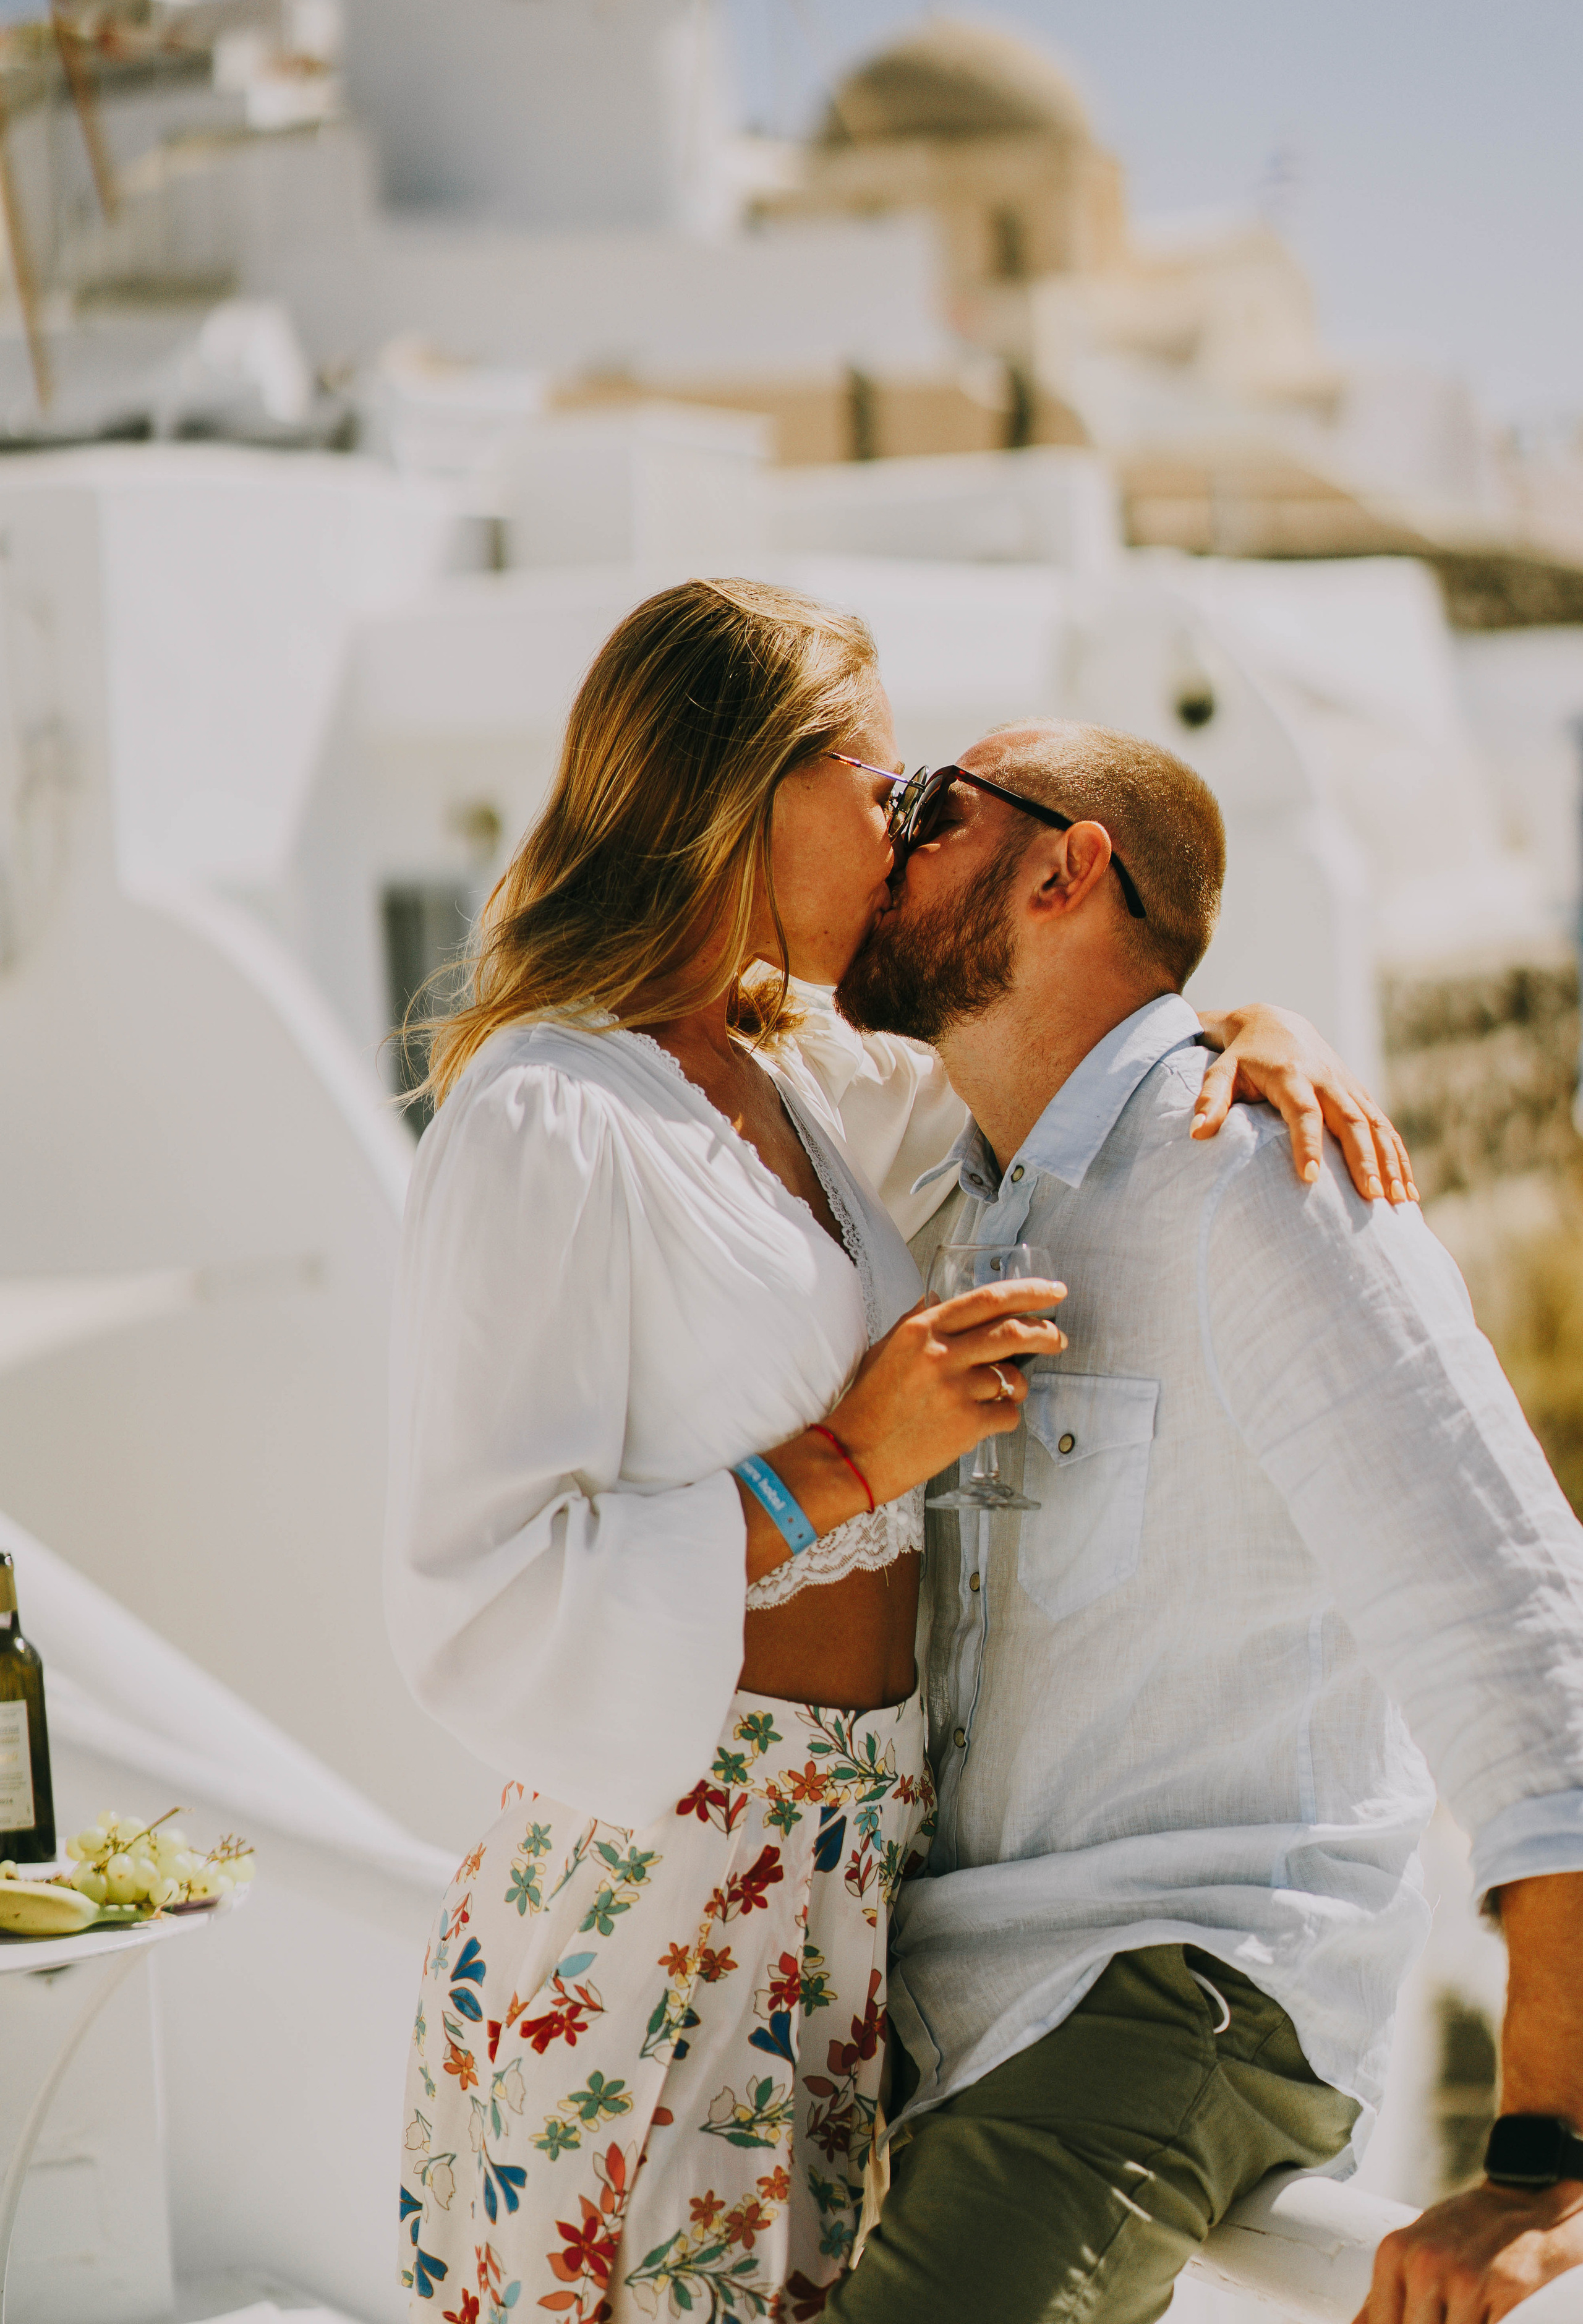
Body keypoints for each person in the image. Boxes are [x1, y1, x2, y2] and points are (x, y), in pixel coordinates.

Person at [385, 579, 1411, 2324]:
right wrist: (848, 1465)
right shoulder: (547, 1116)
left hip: (860, 1893)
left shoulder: (804, 1078)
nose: (904, 835)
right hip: (664, 1886)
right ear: (744, 783)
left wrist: (1255, 1027)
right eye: (885, 786)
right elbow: (475, 1593)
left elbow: (1079, 1053)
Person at [822, 719, 1583, 2324]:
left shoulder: (1267, 1184)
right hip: (948, 1999)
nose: (889, 840)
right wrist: (1233, 1013)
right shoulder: (948, 1195)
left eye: (931, 808)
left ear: (1067, 868)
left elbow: (1526, 1642)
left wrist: (1547, 2160)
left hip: (1179, 1984)